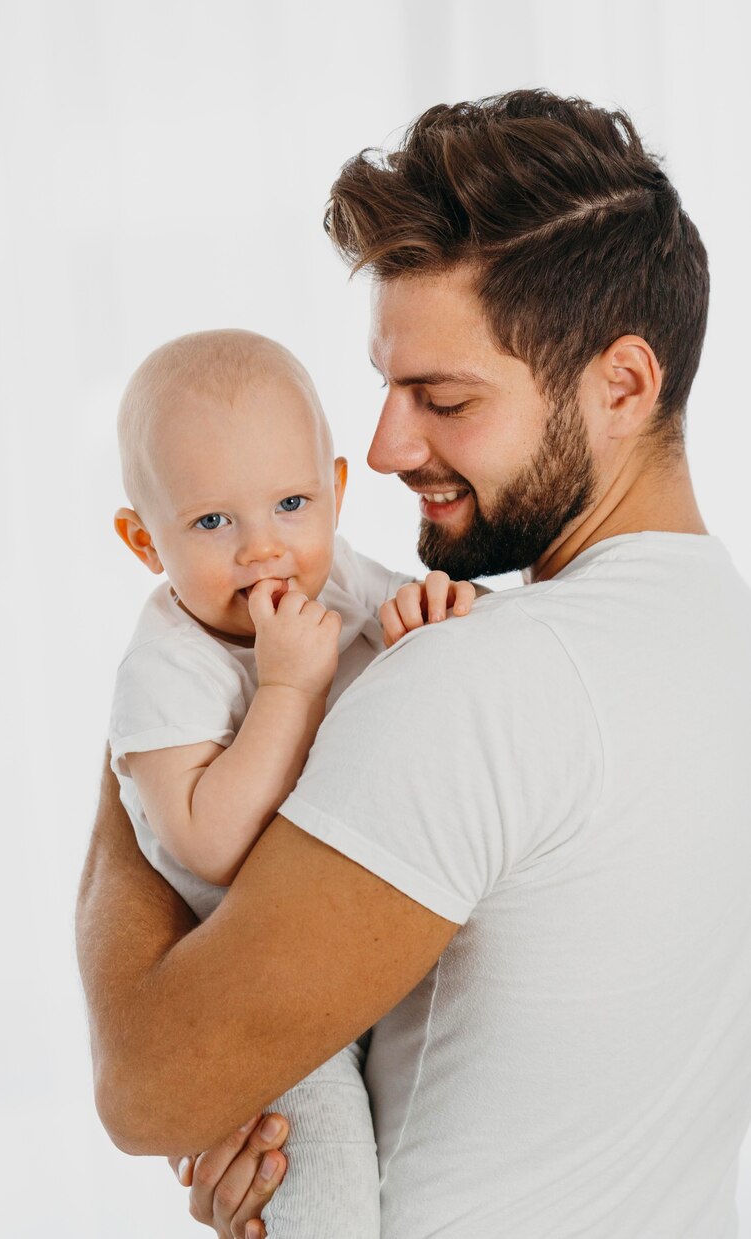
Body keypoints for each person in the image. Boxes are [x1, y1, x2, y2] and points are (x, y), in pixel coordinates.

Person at [77, 89, 751, 1239]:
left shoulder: (474, 682)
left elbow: (150, 1085)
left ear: (623, 386)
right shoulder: (718, 642)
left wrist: (161, 701)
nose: (385, 449)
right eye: (387, 388)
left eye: (443, 399)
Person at [106, 327, 478, 1237]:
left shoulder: (343, 578)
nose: (264, 549)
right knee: (321, 1169)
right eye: (211, 522)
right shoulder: (167, 669)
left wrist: (425, 618)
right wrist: (287, 688)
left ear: (338, 492)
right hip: (248, 985)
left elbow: (407, 644)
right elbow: (212, 842)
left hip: (355, 951)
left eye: (290, 502)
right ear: (143, 542)